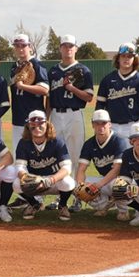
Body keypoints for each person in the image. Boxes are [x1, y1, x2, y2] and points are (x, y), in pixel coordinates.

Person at [11, 110, 76, 221]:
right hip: (34, 182)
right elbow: (20, 167)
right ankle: (34, 204)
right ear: (28, 126)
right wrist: (27, 178)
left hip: (54, 181)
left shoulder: (57, 142)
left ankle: (62, 205)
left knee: (69, 182)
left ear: (47, 124)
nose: (37, 126)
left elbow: (67, 168)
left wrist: (50, 180)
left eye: (41, 123)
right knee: (16, 184)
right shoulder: (24, 143)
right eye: (33, 124)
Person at [46, 34, 93, 174]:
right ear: (60, 48)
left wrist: (72, 88)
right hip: (55, 114)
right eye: (65, 46)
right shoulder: (53, 71)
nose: (68, 49)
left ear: (76, 48)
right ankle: (59, 190)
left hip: (74, 114)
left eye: (71, 46)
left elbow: (89, 97)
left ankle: (76, 191)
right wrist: (46, 118)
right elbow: (49, 98)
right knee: (55, 153)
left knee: (76, 153)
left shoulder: (84, 70)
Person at [74, 109, 130, 218]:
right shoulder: (89, 144)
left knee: (118, 185)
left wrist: (98, 186)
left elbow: (116, 170)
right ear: (92, 125)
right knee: (74, 185)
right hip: (105, 180)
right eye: (97, 123)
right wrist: (81, 186)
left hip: (122, 180)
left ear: (109, 124)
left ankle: (123, 211)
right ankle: (103, 206)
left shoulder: (119, 141)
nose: (101, 127)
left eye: (104, 123)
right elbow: (81, 169)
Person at [95, 42, 139, 136]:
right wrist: (99, 124)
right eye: (123, 56)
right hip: (111, 126)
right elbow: (100, 105)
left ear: (134, 59)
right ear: (118, 58)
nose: (126, 59)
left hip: (133, 126)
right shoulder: (107, 80)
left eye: (129, 56)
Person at [8, 34, 50, 152]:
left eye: (23, 45)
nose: (20, 48)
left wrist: (23, 86)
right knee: (18, 154)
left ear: (30, 47)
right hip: (18, 117)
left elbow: (44, 90)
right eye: (17, 46)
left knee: (36, 155)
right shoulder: (14, 67)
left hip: (35, 118)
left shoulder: (37, 65)